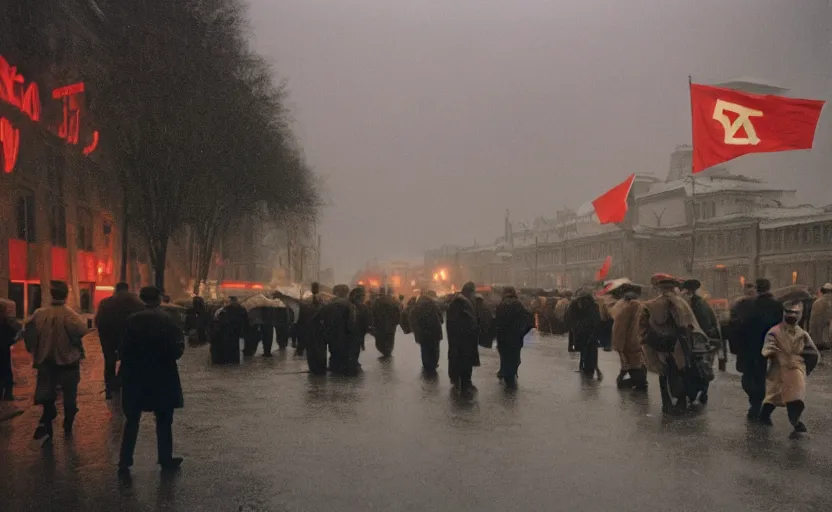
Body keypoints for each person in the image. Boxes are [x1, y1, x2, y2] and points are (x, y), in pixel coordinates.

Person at [118, 286, 185, 474]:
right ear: (158, 299)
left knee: (132, 419)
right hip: (162, 375)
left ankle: (125, 460)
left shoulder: (131, 321)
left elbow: (123, 350)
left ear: (142, 299)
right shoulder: (168, 320)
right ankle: (165, 458)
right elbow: (178, 349)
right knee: (164, 419)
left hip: (136, 376)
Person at [23, 281, 88, 439]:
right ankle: (68, 421)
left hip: (46, 362)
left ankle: (47, 423)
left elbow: (28, 334)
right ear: (66, 295)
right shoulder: (71, 315)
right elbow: (81, 331)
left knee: (46, 394)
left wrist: (34, 350)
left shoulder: (39, 314)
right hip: (68, 362)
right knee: (69, 397)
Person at [640, 274, 708, 413]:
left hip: (659, 344)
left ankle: (666, 403)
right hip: (677, 343)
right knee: (681, 372)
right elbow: (686, 324)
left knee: (663, 372)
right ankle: (681, 402)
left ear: (659, 288)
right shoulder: (679, 302)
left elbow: (643, 324)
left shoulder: (650, 304)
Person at [758, 300, 820, 439]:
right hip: (778, 369)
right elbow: (768, 346)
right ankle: (764, 415)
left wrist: (806, 368)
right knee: (774, 396)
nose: (792, 315)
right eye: (789, 312)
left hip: (795, 370)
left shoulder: (802, 334)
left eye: (795, 313)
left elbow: (813, 353)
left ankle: (796, 422)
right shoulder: (775, 331)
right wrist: (770, 352)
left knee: (795, 398)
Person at [736, 278, 784, 422]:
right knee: (763, 376)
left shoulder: (749, 304)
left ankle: (756, 405)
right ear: (769, 287)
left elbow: (741, 325)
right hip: (769, 345)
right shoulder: (777, 305)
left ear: (757, 289)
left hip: (751, 347)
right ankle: (762, 406)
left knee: (750, 377)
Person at [95, 282, 144, 399]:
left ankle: (109, 389)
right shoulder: (137, 303)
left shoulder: (105, 303)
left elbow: (98, 321)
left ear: (116, 290)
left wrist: (104, 337)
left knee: (109, 363)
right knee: (128, 361)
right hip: (129, 338)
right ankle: (122, 385)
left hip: (110, 339)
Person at [494, 286, 534, 389]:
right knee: (514, 358)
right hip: (515, 338)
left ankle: (506, 376)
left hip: (503, 339)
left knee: (505, 358)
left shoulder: (501, 305)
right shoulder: (518, 305)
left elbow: (496, 323)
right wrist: (522, 333)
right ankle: (511, 378)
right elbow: (529, 320)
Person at [610, 283, 647, 391]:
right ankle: (629, 383)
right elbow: (620, 328)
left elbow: (618, 329)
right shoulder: (636, 306)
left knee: (634, 366)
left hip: (631, 343)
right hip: (634, 344)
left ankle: (627, 381)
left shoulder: (622, 306)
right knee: (637, 368)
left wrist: (619, 347)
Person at [446, 282, 480, 393]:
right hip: (463, 340)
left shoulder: (462, 302)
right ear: (469, 292)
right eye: (473, 292)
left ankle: (464, 383)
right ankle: (464, 386)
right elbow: (460, 323)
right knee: (463, 362)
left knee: (464, 361)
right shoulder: (460, 303)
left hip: (463, 339)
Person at [316, 284, 357, 375]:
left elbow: (321, 319)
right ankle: (342, 371)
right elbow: (352, 322)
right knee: (344, 354)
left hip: (331, 334)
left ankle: (334, 369)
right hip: (345, 335)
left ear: (336, 293)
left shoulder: (329, 305)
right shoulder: (350, 305)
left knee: (334, 353)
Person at [566, 289, 602, 380]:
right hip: (582, 334)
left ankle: (591, 370)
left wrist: (593, 334)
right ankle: (584, 369)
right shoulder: (576, 306)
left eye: (582, 300)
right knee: (584, 352)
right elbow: (571, 319)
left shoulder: (593, 307)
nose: (580, 303)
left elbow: (596, 321)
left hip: (590, 334)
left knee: (591, 353)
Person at [410, 291, 444, 374]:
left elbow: (412, 317)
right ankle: (434, 363)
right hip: (435, 330)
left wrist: (415, 330)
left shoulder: (417, 306)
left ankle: (426, 365)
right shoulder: (433, 304)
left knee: (424, 348)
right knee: (435, 348)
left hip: (423, 332)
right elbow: (440, 316)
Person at [211, 296, 248, 364]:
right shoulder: (239, 308)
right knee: (233, 344)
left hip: (233, 329)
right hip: (232, 329)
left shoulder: (228, 309)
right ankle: (233, 359)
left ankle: (233, 359)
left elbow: (245, 320)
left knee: (233, 345)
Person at [0, 300, 21, 401]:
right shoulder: (7, 321)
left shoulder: (7, 321)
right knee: (7, 371)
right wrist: (12, 341)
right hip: (4, 349)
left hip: (4, 348)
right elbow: (17, 332)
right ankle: (8, 394)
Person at [370, 288, 401, 358]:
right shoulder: (393, 301)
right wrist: (396, 322)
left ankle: (384, 350)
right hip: (390, 324)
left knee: (380, 338)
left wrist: (373, 323)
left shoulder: (376, 302)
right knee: (390, 337)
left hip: (380, 324)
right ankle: (388, 350)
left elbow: (373, 313)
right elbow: (397, 312)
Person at [349, 286, 371, 371]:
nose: (363, 298)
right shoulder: (350, 306)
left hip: (359, 331)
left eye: (363, 296)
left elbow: (367, 318)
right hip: (352, 331)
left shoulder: (363, 307)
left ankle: (354, 361)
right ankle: (352, 362)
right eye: (362, 296)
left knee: (356, 347)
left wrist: (368, 327)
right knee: (353, 347)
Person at [808, 283, 832, 351]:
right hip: (829, 340)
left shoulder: (817, 303)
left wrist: (811, 335)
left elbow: (812, 322)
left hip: (818, 341)